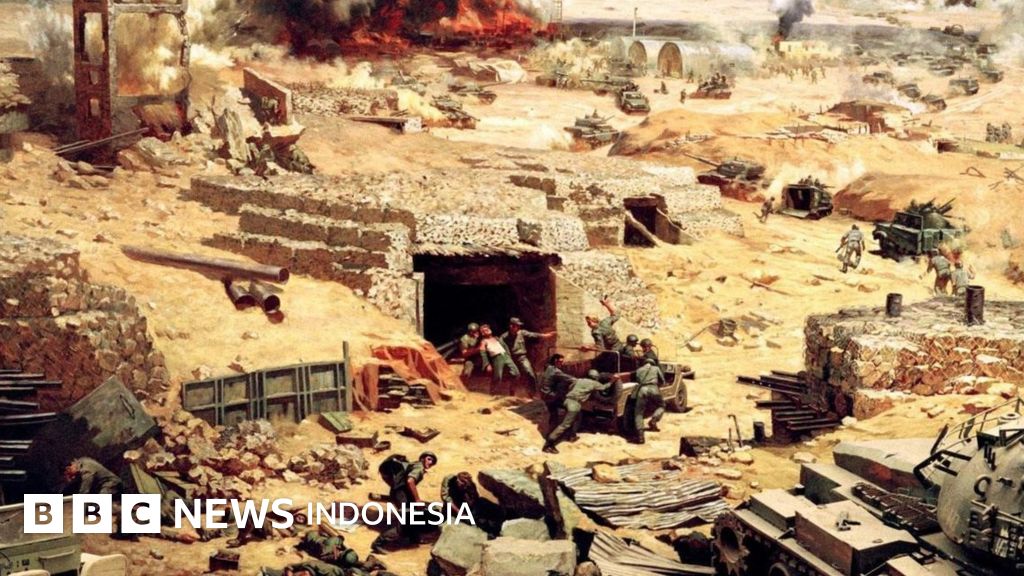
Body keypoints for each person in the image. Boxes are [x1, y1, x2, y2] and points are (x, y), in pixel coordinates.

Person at [371, 452, 436, 553]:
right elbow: (410, 481)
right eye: (429, 459)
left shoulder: (413, 465)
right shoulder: (419, 467)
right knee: (405, 521)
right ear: (422, 458)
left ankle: (414, 539)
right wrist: (417, 500)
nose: (430, 462)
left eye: (432, 462)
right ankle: (378, 543)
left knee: (413, 516)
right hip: (401, 494)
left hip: (402, 493)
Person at [543, 374, 611, 454]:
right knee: (565, 424)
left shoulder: (579, 380)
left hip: (567, 400)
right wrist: (613, 381)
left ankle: (572, 436)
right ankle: (548, 444)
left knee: (577, 418)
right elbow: (604, 387)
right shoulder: (594, 383)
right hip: (574, 404)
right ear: (595, 378)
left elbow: (570, 387)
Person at [500, 318, 555, 394]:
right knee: (514, 375)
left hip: (522, 357)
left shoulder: (522, 333)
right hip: (511, 359)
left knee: (530, 373)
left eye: (519, 326)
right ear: (511, 326)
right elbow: (499, 348)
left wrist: (545, 335)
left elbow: (533, 335)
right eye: (516, 326)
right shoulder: (504, 337)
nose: (518, 327)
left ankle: (532, 393)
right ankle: (512, 393)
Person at [440, 472, 504, 537]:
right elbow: (446, 498)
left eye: (465, 483)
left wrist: (467, 490)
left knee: (483, 502)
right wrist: (459, 512)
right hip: (453, 509)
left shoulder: (470, 485)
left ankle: (501, 517)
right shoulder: (449, 480)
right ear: (457, 479)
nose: (462, 484)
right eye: (461, 482)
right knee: (474, 520)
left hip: (467, 507)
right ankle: (491, 530)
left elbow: (474, 500)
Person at [629, 358, 666, 444]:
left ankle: (640, 436)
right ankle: (654, 420)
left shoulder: (639, 370)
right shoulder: (656, 368)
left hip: (642, 390)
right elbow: (662, 381)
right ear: (652, 363)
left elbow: (637, 381)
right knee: (662, 405)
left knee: (639, 412)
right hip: (654, 388)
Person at [539, 354, 575, 435]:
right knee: (571, 410)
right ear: (555, 361)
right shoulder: (556, 371)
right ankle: (570, 435)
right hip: (550, 396)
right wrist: (580, 381)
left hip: (544, 394)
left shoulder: (548, 367)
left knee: (553, 413)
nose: (562, 363)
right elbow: (568, 378)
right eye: (560, 362)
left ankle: (550, 433)